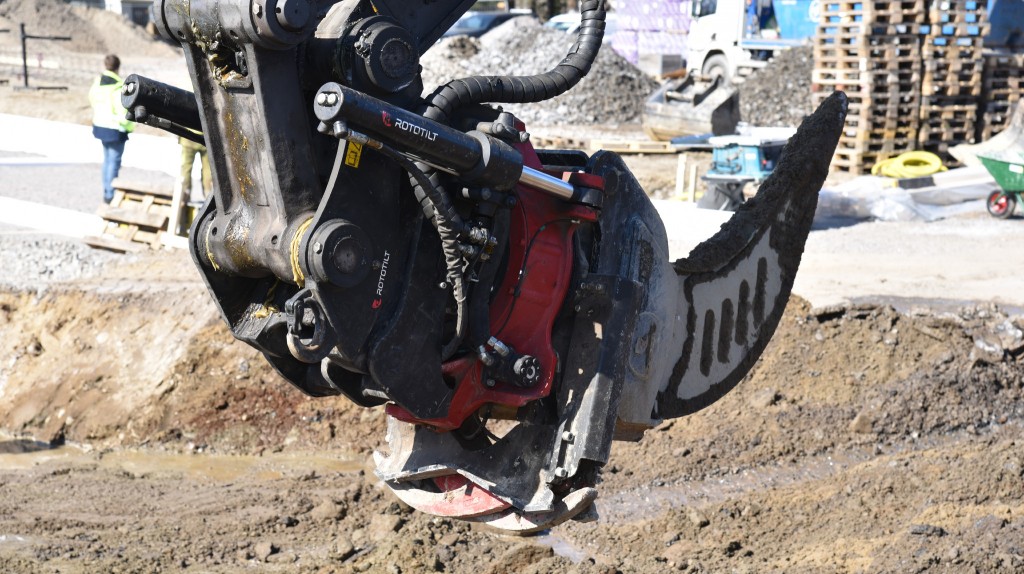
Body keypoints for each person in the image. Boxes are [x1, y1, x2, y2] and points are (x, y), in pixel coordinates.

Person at [89, 54, 135, 203]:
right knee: (113, 163)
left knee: (107, 160)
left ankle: (107, 190)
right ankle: (110, 195)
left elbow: (92, 99)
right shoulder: (117, 86)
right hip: (115, 129)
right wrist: (129, 126)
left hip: (101, 126)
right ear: (118, 67)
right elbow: (123, 111)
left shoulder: (98, 83)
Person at [179, 135, 212, 200]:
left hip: (188, 138)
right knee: (208, 170)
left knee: (186, 168)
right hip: (205, 138)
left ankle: (184, 196)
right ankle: (209, 196)